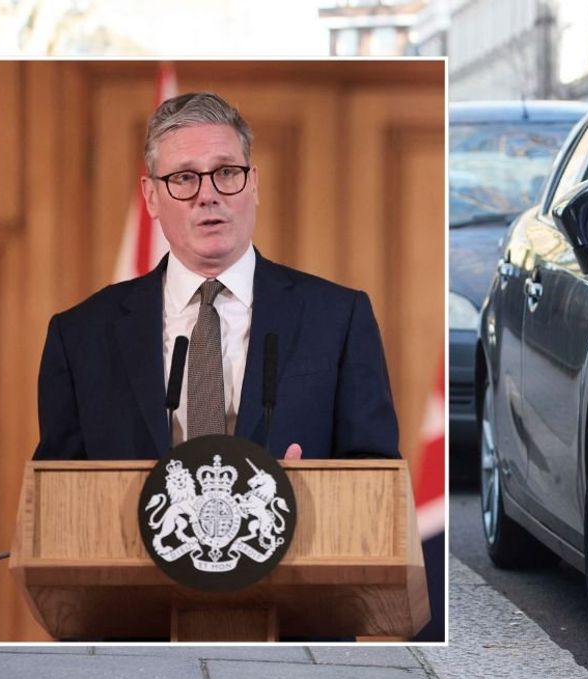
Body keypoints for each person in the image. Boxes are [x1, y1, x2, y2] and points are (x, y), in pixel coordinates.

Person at [33, 92, 399, 461]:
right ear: (152, 196)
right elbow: (57, 493)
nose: (208, 195)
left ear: (253, 183)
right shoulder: (81, 335)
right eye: (184, 177)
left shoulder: (339, 319)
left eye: (225, 172)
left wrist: (312, 492)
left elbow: (377, 478)